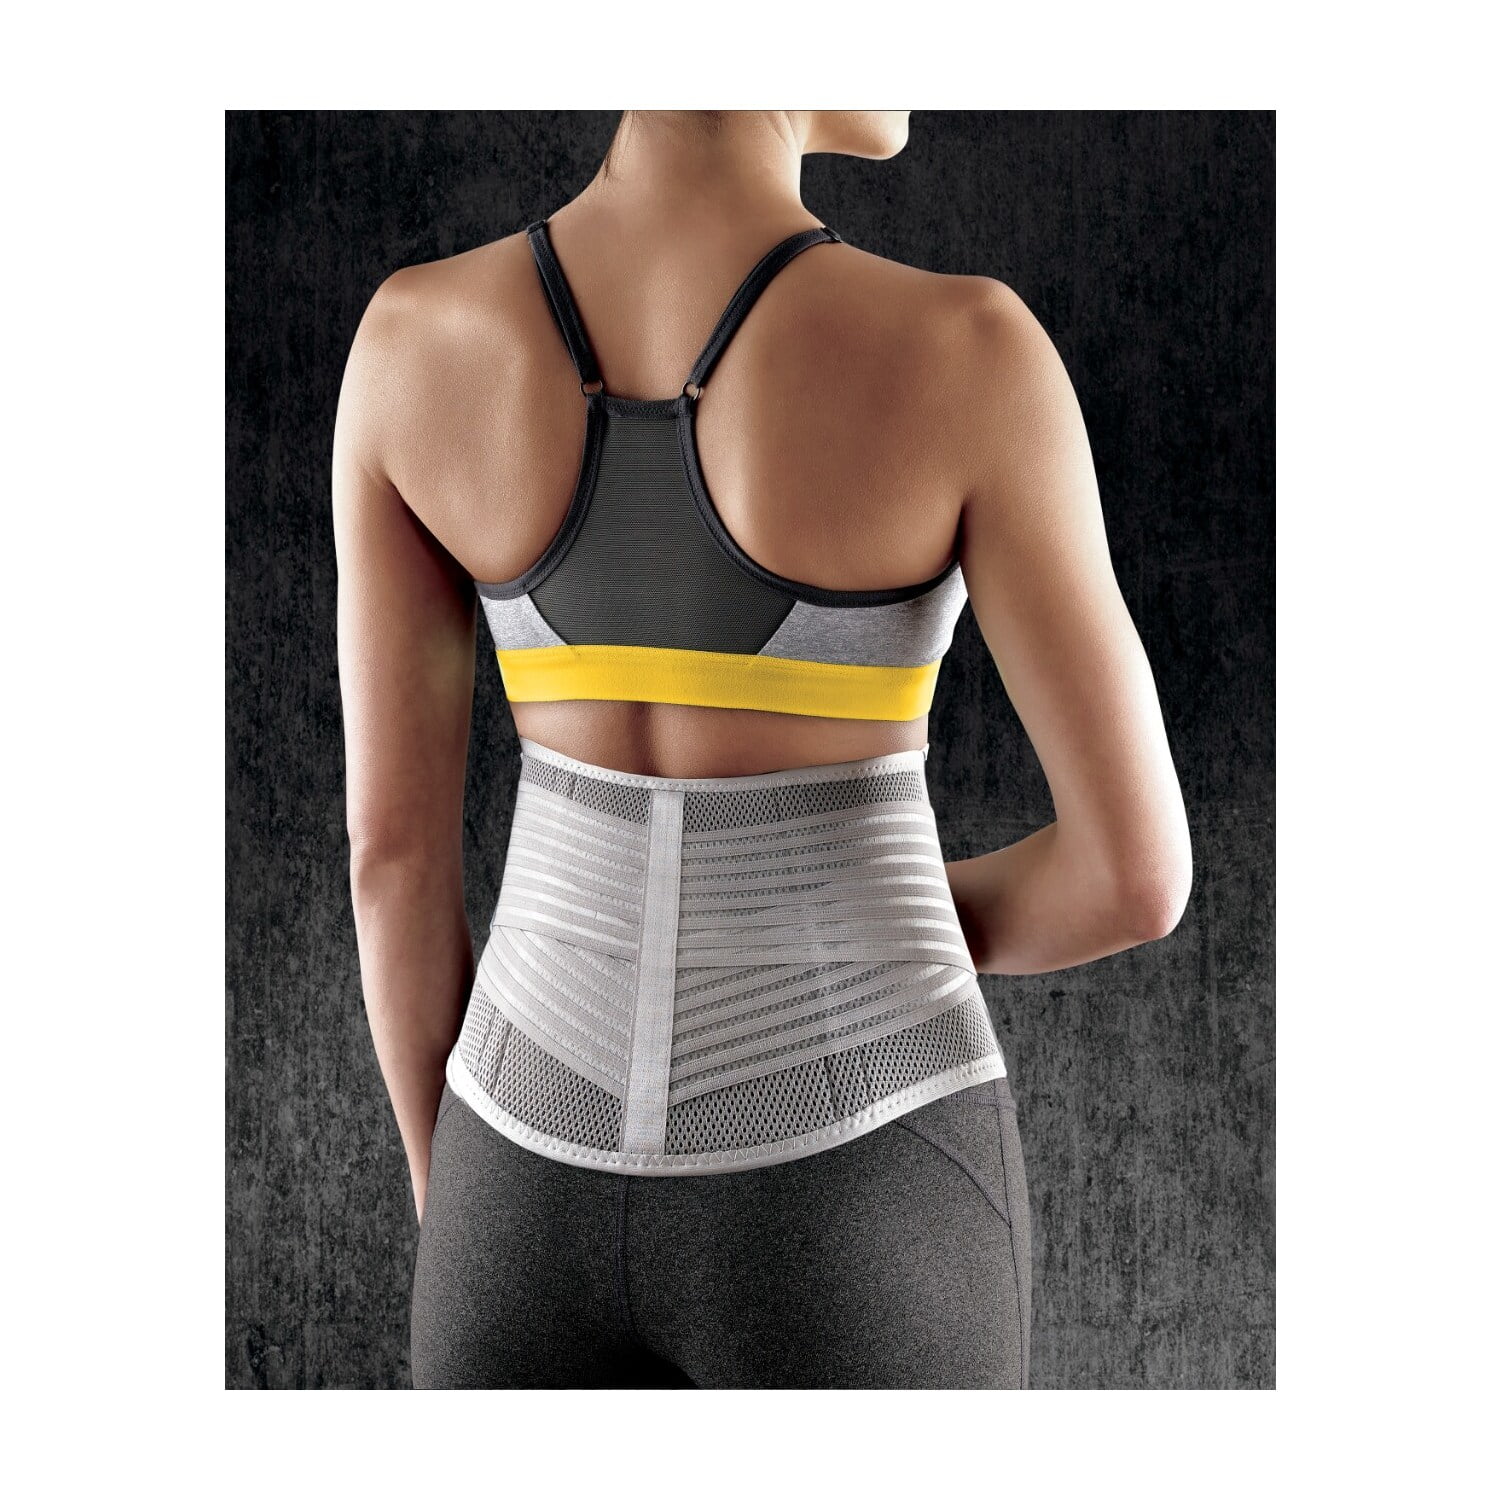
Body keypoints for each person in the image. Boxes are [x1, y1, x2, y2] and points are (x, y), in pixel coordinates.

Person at [333, 109, 1191, 1389]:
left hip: (513, 1180)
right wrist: (847, 927)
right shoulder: (966, 348)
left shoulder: (412, 338)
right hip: (858, 1175)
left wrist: (462, 1204)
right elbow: (1133, 878)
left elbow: (392, 859)